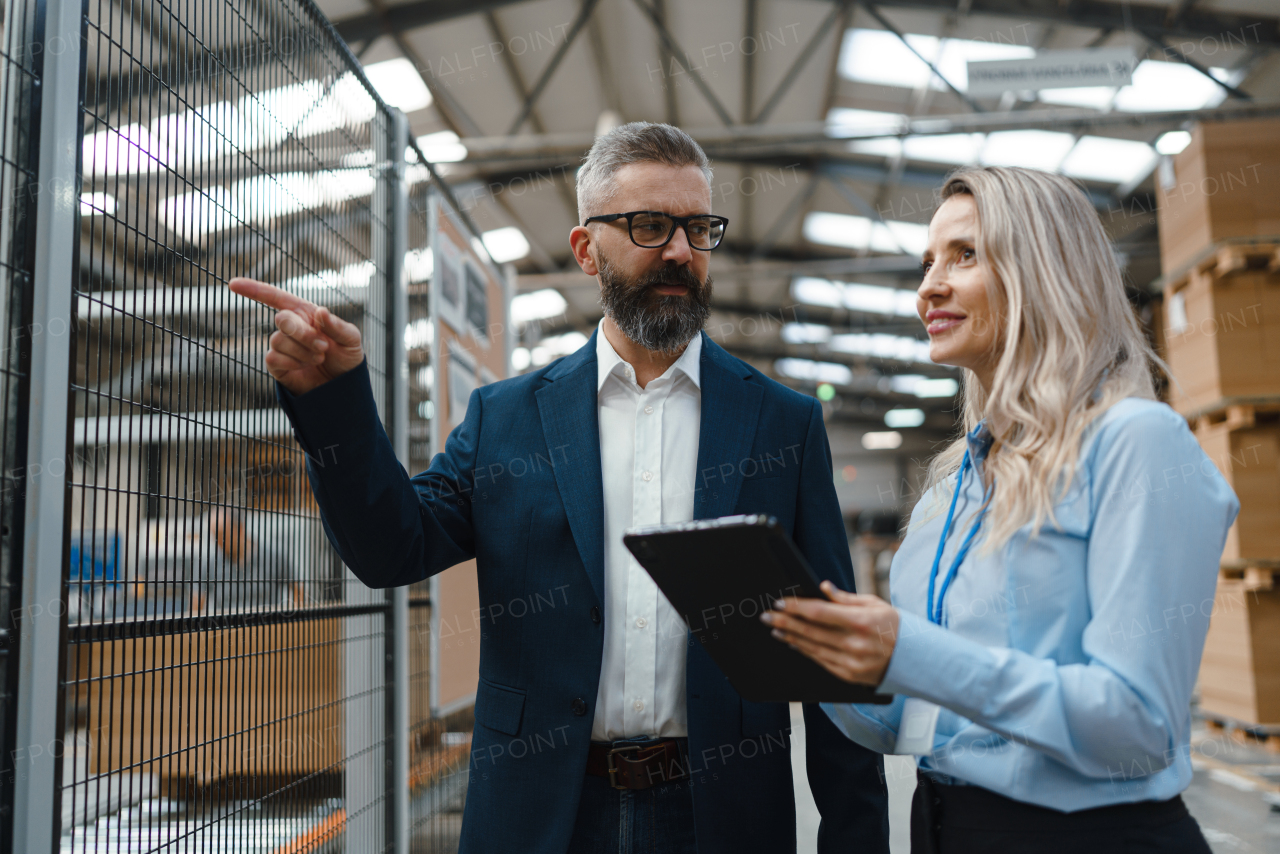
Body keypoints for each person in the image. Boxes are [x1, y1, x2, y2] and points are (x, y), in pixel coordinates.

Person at [229, 122, 889, 854]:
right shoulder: (507, 418)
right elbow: (393, 548)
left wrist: (855, 836)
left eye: (698, 229)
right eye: (649, 225)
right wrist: (336, 405)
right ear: (585, 250)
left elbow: (834, 651)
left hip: (721, 817)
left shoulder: (780, 423)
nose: (679, 250)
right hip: (543, 812)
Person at [760, 166, 1238, 853]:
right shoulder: (951, 488)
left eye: (966, 255)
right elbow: (925, 724)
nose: (929, 287)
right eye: (927, 263)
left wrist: (911, 649)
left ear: (1046, 271)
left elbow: (1140, 727)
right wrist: (827, 671)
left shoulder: (1135, 444)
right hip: (946, 827)